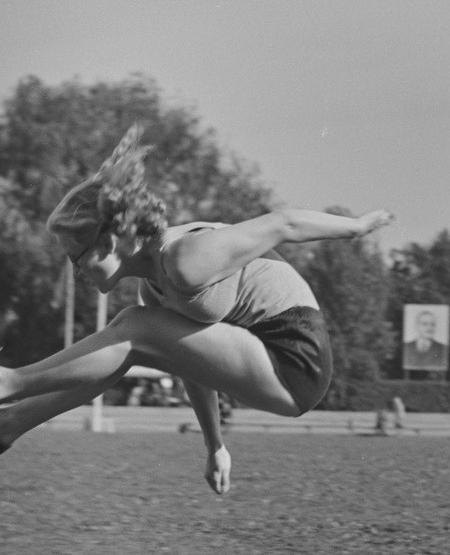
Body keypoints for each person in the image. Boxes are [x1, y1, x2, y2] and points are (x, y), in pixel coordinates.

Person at [0, 125, 393, 495]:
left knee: (133, 331)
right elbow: (192, 365)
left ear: (112, 241)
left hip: (295, 359)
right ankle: (11, 424)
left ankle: (12, 384)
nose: (75, 271)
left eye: (77, 257)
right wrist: (215, 446)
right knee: (124, 345)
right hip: (265, 357)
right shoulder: (154, 290)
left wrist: (356, 228)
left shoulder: (185, 257)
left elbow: (283, 224)